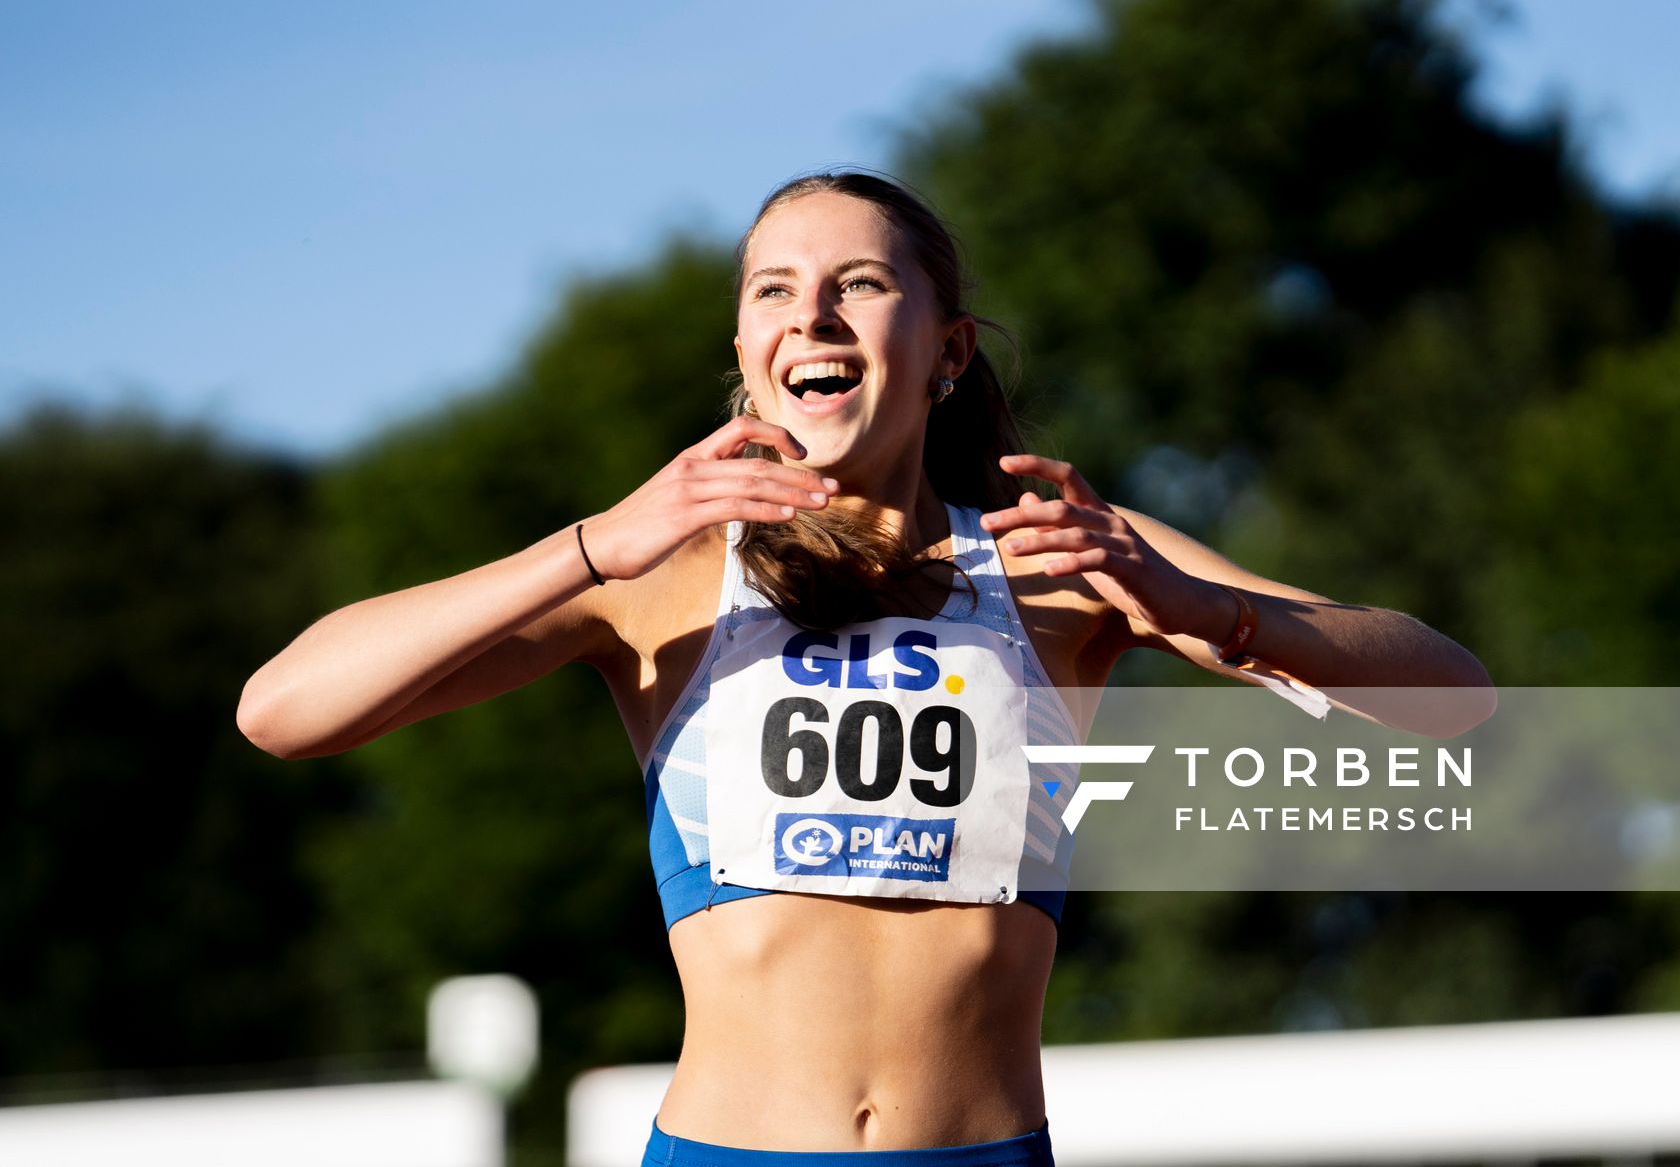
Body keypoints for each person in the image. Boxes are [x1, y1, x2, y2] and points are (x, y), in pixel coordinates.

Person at [237, 169, 1496, 1164]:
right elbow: (284, 709)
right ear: (745, 344)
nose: (813, 317)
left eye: (856, 284)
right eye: (775, 291)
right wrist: (589, 547)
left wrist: (1195, 602)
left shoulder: (1060, 557)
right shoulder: (663, 570)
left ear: (948, 351)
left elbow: (1457, 699)